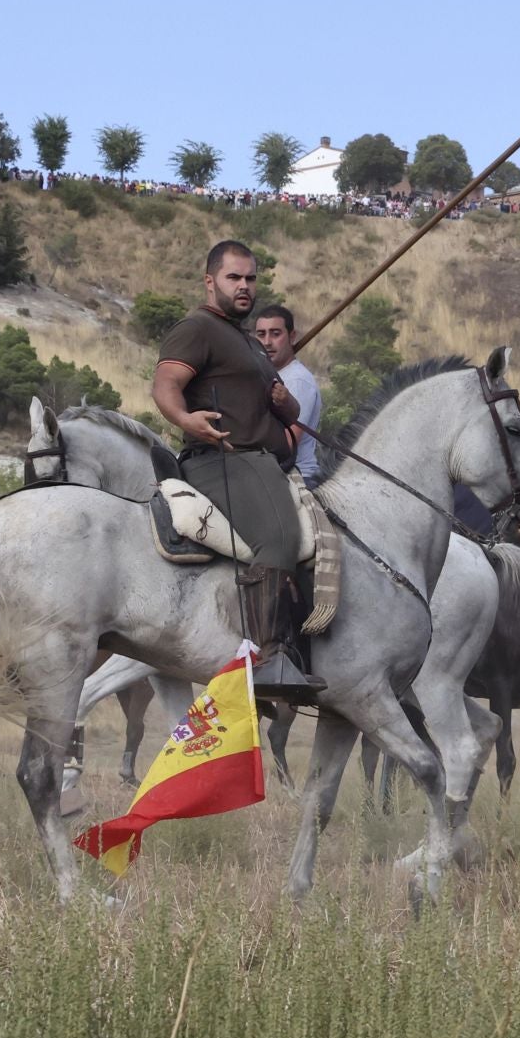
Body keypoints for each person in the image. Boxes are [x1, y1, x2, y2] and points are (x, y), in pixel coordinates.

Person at [151, 239, 321, 700]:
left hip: (264, 460)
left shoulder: (247, 340)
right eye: (234, 278)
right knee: (281, 538)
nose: (244, 286)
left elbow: (290, 415)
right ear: (211, 282)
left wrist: (287, 403)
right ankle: (267, 658)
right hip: (223, 459)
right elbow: (166, 383)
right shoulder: (197, 329)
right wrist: (185, 419)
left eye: (250, 278)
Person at [253, 304, 323, 489]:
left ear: (292, 337)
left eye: (276, 334)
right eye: (261, 334)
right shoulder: (264, 375)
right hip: (269, 472)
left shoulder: (297, 380)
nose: (267, 342)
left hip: (296, 477)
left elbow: (288, 443)